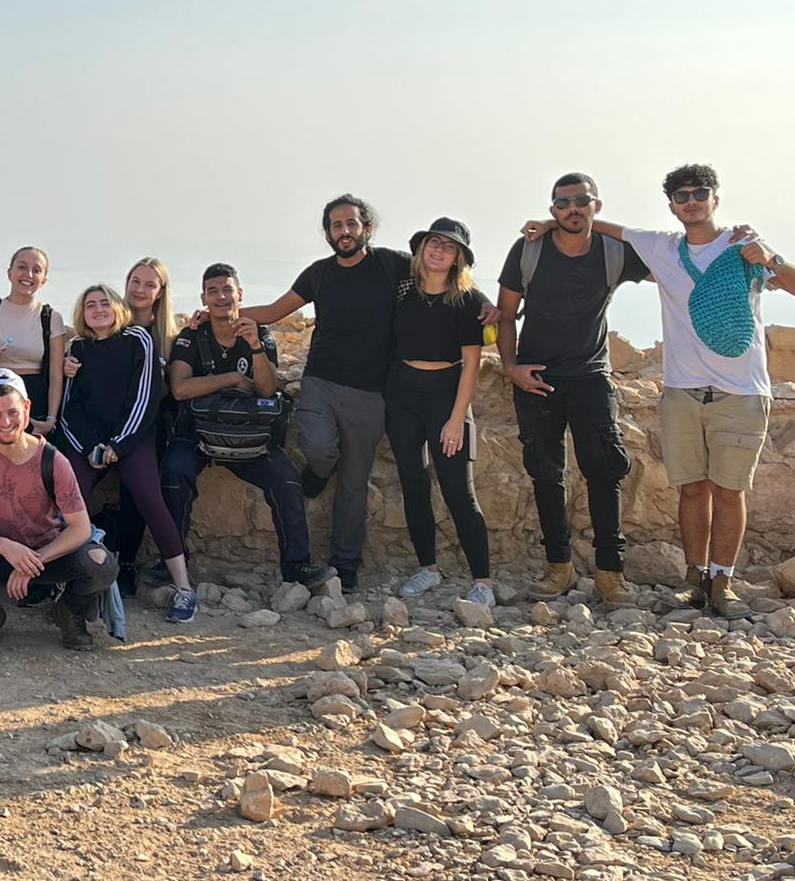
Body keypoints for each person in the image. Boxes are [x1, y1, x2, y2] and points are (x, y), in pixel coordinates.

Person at [525, 163, 793, 618]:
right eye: (681, 195)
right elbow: (607, 226)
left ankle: (722, 582)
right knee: (691, 489)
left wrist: (772, 259)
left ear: (715, 198)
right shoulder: (661, 247)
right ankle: (695, 579)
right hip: (682, 389)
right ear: (671, 205)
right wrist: (554, 222)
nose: (691, 200)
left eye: (699, 192)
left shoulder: (743, 246)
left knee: (730, 491)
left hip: (742, 390)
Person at [220, 196, 415, 590]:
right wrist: (219, 314)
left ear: (367, 229)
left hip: (371, 391)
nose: (344, 231)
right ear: (328, 233)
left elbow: (439, 269)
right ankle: (320, 469)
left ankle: (346, 565)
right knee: (320, 449)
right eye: (336, 225)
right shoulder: (319, 273)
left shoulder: (391, 264)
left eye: (351, 224)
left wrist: (483, 306)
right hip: (321, 382)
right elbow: (276, 312)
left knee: (355, 483)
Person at [496, 173, 650, 603]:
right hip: (537, 379)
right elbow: (506, 315)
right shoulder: (528, 251)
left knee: (604, 473)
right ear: (552, 210)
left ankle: (610, 574)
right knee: (546, 475)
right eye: (562, 204)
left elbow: (673, 264)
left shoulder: (614, 252)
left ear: (596, 206)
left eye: (581, 201)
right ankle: (557, 569)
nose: (572, 209)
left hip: (591, 378)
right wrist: (511, 368)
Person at [162, 265, 330, 622]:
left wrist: (254, 348)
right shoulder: (192, 337)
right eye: (213, 291)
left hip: (249, 437)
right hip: (197, 433)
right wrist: (234, 378)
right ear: (203, 298)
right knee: (174, 472)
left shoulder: (260, 335)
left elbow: (267, 390)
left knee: (285, 478)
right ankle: (171, 565)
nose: (221, 297)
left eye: (227, 290)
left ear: (240, 295)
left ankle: (297, 565)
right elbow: (179, 388)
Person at [0, 370, 117, 651]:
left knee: (100, 562)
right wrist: (4, 547)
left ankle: (69, 612)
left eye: (12, 412)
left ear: (27, 408)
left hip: (47, 555)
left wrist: (34, 561)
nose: (5, 422)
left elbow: (80, 527)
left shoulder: (53, 460)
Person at [57, 285, 198, 603]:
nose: (98, 309)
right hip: (91, 442)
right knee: (67, 499)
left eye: (105, 303)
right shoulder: (77, 348)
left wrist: (118, 446)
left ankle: (184, 587)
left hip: (133, 438)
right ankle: (57, 579)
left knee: (151, 501)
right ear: (82, 314)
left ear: (117, 308)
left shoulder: (137, 340)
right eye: (90, 305)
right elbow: (71, 407)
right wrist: (92, 446)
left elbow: (145, 398)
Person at [386, 220, 494, 605]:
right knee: (414, 484)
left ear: (458, 258)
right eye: (434, 243)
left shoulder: (466, 301)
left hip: (446, 398)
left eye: (449, 247)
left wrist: (455, 418)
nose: (439, 250)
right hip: (401, 395)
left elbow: (472, 363)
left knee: (458, 491)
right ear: (422, 248)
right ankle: (427, 569)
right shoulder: (402, 290)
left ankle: (482, 582)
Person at [0, 247, 66, 434]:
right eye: (22, 267)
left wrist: (50, 420)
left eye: (36, 270)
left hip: (35, 403)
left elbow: (56, 375)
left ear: (43, 280)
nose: (28, 274)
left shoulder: (51, 318)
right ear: (10, 273)